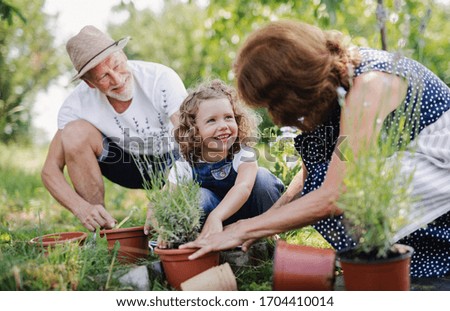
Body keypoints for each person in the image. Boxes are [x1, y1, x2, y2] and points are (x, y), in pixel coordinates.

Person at [181, 21, 450, 278]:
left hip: (439, 169)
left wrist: (242, 228)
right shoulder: (335, 85)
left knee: (349, 195)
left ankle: (411, 260)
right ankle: (384, 262)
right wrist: (266, 222)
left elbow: (334, 194)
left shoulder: (368, 86)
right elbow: (312, 176)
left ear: (295, 87)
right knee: (322, 179)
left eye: (273, 103)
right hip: (412, 172)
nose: (274, 117)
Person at [41, 25, 187, 232]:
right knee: (73, 133)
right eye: (103, 77)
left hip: (170, 158)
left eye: (117, 65)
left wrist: (170, 189)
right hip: (124, 164)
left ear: (123, 55)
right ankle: (101, 230)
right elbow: (49, 171)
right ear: (89, 83)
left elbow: (191, 143)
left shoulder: (160, 78)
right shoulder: (75, 105)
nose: (117, 80)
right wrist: (82, 208)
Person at [151, 79, 284, 241]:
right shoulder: (187, 161)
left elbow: (243, 187)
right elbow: (169, 193)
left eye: (228, 117)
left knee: (263, 178)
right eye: (211, 120)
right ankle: (198, 239)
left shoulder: (243, 152)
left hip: (251, 215)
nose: (223, 125)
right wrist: (158, 216)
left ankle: (268, 232)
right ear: (195, 131)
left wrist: (217, 216)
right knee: (198, 196)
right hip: (212, 224)